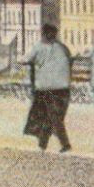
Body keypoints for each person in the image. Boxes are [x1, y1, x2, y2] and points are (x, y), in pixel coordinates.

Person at [22, 24, 72, 152]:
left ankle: (64, 143)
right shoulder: (63, 47)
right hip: (64, 87)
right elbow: (70, 60)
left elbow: (26, 60)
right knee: (51, 116)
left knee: (51, 116)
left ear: (44, 34)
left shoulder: (38, 47)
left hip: (46, 87)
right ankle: (42, 144)